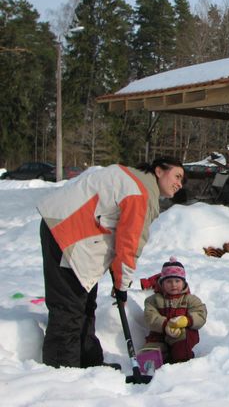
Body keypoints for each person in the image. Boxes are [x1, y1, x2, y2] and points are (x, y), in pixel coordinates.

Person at [37, 157, 185, 368]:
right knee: (69, 307)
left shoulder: (135, 182)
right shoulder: (139, 193)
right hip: (68, 234)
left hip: (75, 234)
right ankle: (63, 371)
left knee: (85, 304)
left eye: (182, 180)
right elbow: (129, 244)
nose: (179, 184)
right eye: (177, 176)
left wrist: (119, 279)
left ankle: (88, 362)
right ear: (159, 171)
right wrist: (121, 287)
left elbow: (120, 235)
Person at [142, 257, 207, 364]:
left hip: (180, 334)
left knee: (182, 345)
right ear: (162, 283)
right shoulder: (153, 300)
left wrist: (187, 321)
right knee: (148, 355)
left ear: (183, 282)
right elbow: (150, 316)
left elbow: (200, 314)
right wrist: (165, 325)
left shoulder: (190, 299)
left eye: (177, 281)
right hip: (159, 336)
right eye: (169, 281)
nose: (173, 285)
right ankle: (158, 362)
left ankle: (181, 362)